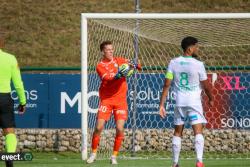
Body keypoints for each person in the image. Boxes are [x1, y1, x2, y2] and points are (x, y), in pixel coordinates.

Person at [159, 36, 213, 167]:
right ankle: (199, 161)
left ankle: (175, 163)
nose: (197, 49)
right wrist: (211, 98)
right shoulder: (199, 64)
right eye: (196, 46)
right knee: (198, 131)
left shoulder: (173, 62)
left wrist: (161, 104)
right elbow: (206, 85)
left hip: (180, 102)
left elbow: (167, 84)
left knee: (178, 132)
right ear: (190, 48)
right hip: (194, 103)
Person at [87, 41, 141, 164]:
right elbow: (107, 78)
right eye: (108, 49)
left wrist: (134, 64)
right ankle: (93, 153)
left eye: (112, 49)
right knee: (98, 127)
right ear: (103, 51)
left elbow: (138, 65)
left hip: (120, 101)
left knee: (119, 128)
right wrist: (119, 75)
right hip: (106, 100)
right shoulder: (100, 65)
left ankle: (114, 156)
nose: (111, 51)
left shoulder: (120, 60)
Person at [0, 32, 26, 167]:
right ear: (1, 44)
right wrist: (23, 101)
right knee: (9, 131)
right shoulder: (10, 58)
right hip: (4, 97)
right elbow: (18, 83)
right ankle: (9, 157)